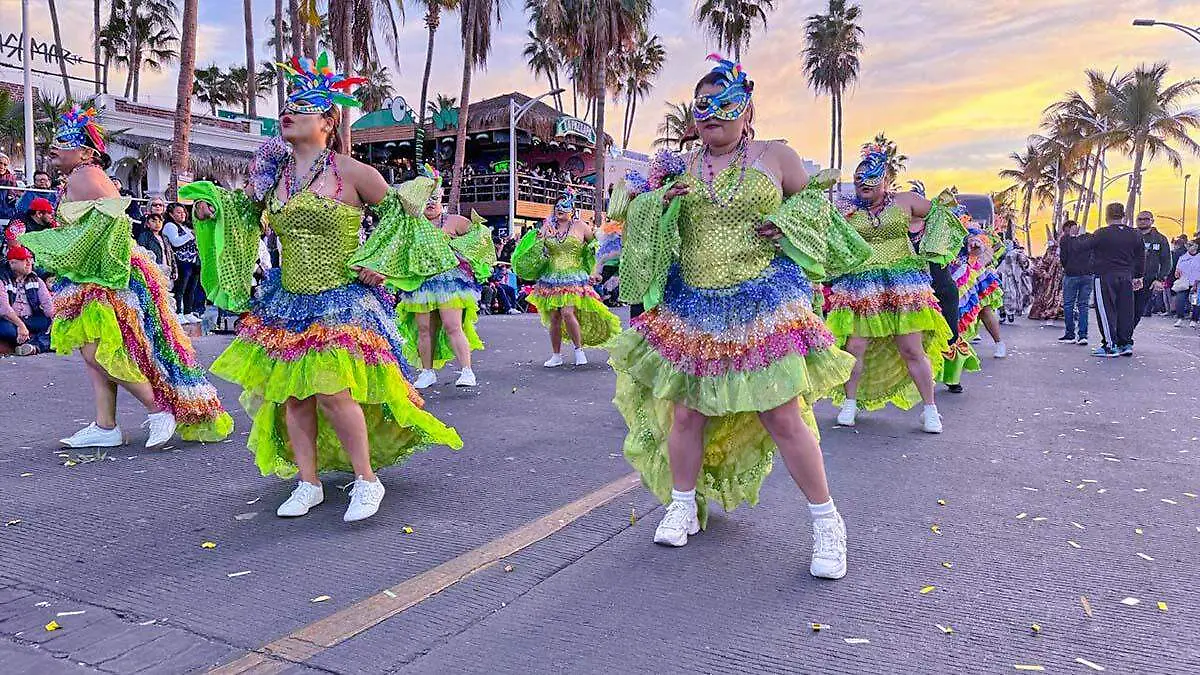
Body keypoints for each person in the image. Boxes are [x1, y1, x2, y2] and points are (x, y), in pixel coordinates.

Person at [610, 55, 873, 578]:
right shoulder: (681, 166)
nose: (711, 114)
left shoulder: (777, 156)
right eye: (701, 106)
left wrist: (788, 221)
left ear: (747, 109)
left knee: (782, 414)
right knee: (687, 413)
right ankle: (682, 505)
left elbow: (817, 204)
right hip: (694, 308)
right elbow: (628, 211)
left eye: (723, 104)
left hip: (761, 306)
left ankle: (827, 522)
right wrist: (659, 201)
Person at [179, 53, 462, 522]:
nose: (287, 113)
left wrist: (381, 265)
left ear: (328, 122)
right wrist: (211, 210)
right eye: (286, 107)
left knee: (333, 392)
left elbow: (405, 219)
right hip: (288, 303)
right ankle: (307, 482)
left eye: (302, 107)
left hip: (341, 301)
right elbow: (242, 216)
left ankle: (367, 479)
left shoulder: (352, 173)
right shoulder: (273, 177)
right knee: (295, 395)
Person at [17, 105, 232, 448]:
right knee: (94, 352)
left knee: (99, 352)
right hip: (96, 275)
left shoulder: (85, 176)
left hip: (107, 276)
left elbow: (114, 225)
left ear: (86, 152)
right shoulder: (80, 177)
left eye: (64, 141)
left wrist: (56, 249)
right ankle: (106, 426)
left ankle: (158, 409)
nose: (54, 147)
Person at [827, 150, 962, 433]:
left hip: (902, 285)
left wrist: (931, 247)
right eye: (858, 179)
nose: (863, 184)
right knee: (854, 348)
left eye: (870, 179)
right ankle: (849, 403)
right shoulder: (846, 208)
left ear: (886, 180)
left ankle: (930, 409)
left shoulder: (906, 201)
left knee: (911, 349)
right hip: (862, 286)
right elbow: (827, 234)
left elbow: (941, 214)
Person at [392, 165, 494, 389]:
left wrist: (463, 254)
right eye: (426, 198)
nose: (430, 203)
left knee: (452, 326)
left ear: (442, 198)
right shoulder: (412, 223)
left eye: (434, 198)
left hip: (449, 283)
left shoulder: (454, 221)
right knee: (424, 329)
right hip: (420, 282)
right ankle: (427, 372)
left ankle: (467, 371)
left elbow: (481, 238)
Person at [511, 187, 621, 367]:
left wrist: (596, 271)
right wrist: (541, 239)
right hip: (551, 278)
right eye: (557, 207)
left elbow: (596, 249)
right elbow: (537, 254)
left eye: (564, 206)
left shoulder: (581, 226)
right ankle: (556, 355)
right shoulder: (547, 227)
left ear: (572, 210)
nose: (559, 210)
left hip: (574, 277)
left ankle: (579, 350)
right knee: (554, 317)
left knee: (567, 313)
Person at [1073, 203, 1144, 357]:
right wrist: (1138, 276)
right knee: (1126, 310)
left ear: (1107, 216)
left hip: (1105, 275)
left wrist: (1078, 236)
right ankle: (1125, 343)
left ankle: (1110, 345)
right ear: (1123, 215)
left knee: (1106, 310)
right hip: (1126, 275)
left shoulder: (1102, 233)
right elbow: (1140, 257)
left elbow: (1081, 247)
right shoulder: (1135, 234)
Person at [0, 245, 53, 355]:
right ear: (12, 263)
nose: (30, 263)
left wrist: (55, 321)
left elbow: (48, 305)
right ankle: (37, 343)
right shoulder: (2, 280)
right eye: (25, 260)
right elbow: (4, 309)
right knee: (8, 331)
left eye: (30, 259)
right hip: (9, 321)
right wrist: (21, 326)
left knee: (53, 325)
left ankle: (33, 347)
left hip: (30, 320)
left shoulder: (36, 280)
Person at [1132, 211, 1172, 326]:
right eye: (1140, 219)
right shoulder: (1130, 236)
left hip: (1148, 281)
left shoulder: (1160, 239)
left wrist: (1159, 279)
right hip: (1128, 279)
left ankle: (1126, 335)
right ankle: (1121, 334)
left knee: (1138, 311)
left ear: (1152, 221)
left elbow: (1166, 261)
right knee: (1123, 310)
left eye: (1146, 219)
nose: (1142, 221)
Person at [163, 201, 202, 316]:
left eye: (183, 212)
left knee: (191, 289)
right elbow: (175, 242)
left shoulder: (185, 226)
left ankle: (188, 312)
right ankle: (178, 312)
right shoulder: (170, 226)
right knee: (180, 289)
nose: (182, 214)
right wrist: (191, 235)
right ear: (171, 214)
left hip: (193, 261)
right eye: (178, 212)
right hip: (181, 262)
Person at [1057, 220, 1093, 345]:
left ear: (1067, 229)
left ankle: (1070, 334)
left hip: (1071, 274)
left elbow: (1063, 258)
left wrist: (1067, 267)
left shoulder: (1065, 240)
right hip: (1087, 274)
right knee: (1083, 305)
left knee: (1068, 305)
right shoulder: (1089, 237)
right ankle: (1083, 335)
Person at [1028, 234, 1065, 321]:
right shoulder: (1051, 251)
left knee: (1061, 296)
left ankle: (1058, 311)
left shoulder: (1070, 249)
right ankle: (1047, 312)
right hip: (1050, 281)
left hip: (1063, 279)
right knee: (1045, 297)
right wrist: (1045, 274)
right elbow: (1042, 265)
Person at [135, 212, 176, 283]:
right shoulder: (144, 236)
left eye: (160, 221)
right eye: (153, 221)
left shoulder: (165, 238)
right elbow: (141, 253)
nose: (157, 224)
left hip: (166, 269)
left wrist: (174, 270)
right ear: (148, 224)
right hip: (152, 269)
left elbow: (171, 255)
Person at [998, 237, 1032, 322]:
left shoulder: (1015, 254)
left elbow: (1025, 264)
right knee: (1007, 295)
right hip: (1006, 277)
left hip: (1009, 278)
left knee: (1006, 295)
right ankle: (1007, 313)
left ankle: (1007, 313)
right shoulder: (1012, 254)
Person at [1172, 238, 1200, 327]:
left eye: (1192, 245)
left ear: (1196, 246)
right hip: (1184, 283)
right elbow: (1177, 269)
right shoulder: (1183, 257)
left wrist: (1197, 282)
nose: (1189, 247)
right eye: (1188, 245)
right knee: (1180, 300)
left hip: (1196, 283)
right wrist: (1177, 273)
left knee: (1195, 302)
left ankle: (1194, 319)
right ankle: (1180, 318)